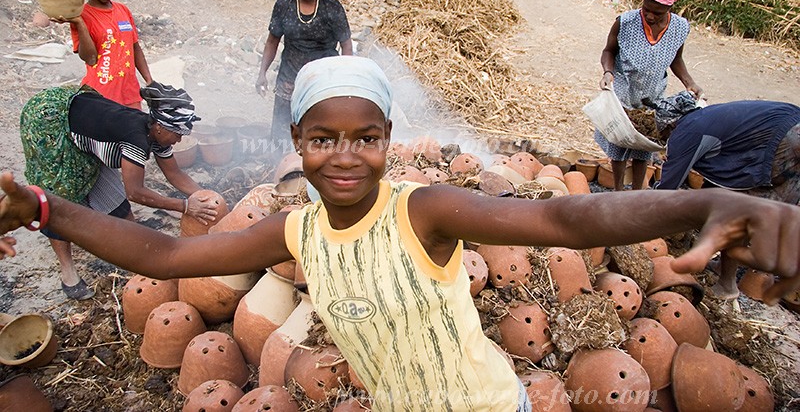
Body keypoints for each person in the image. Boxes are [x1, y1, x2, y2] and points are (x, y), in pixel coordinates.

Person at [2, 57, 799, 410]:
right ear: (299, 143)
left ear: (388, 139)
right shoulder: (297, 232)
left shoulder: (426, 210)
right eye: (323, 137)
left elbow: (566, 216)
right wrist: (41, 207)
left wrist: (697, 207)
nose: (344, 155)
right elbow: (165, 253)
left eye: (365, 135)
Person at [18, 82, 219, 300]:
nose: (179, 139)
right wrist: (184, 206)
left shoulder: (157, 133)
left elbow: (175, 174)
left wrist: (206, 196)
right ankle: (68, 272)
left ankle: (134, 255)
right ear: (161, 127)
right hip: (51, 121)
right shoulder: (135, 139)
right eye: (178, 133)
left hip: (84, 120)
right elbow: (135, 192)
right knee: (58, 198)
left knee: (115, 203)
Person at [655, 98, 800, 299]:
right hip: (791, 125)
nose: (665, 138)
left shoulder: (685, 131)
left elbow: (666, 189)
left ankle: (727, 285)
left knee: (735, 213)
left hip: (781, 141)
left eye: (664, 134)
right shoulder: (707, 116)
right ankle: (725, 264)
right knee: (758, 207)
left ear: (670, 124)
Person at [596, 0, 704, 191]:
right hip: (624, 89)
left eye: (658, 12)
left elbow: (676, 59)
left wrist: (689, 82)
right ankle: (617, 190)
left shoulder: (680, 28)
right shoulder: (625, 22)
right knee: (619, 144)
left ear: (670, 9)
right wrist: (608, 72)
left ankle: (637, 192)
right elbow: (609, 50)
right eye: (646, 9)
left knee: (644, 145)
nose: (650, 15)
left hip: (652, 95)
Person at [255, 0, 353, 157]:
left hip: (324, 77)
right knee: (284, 125)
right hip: (290, 75)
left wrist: (346, 76)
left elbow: (346, 44)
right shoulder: (284, 5)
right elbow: (272, 41)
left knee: (321, 122)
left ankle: (317, 160)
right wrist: (262, 72)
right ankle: (280, 163)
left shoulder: (332, 8)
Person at [53, 0, 153, 109]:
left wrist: (149, 80)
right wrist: (79, 24)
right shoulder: (82, 15)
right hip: (100, 95)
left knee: (134, 131)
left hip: (129, 92)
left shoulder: (123, 10)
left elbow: (134, 47)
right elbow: (90, 58)